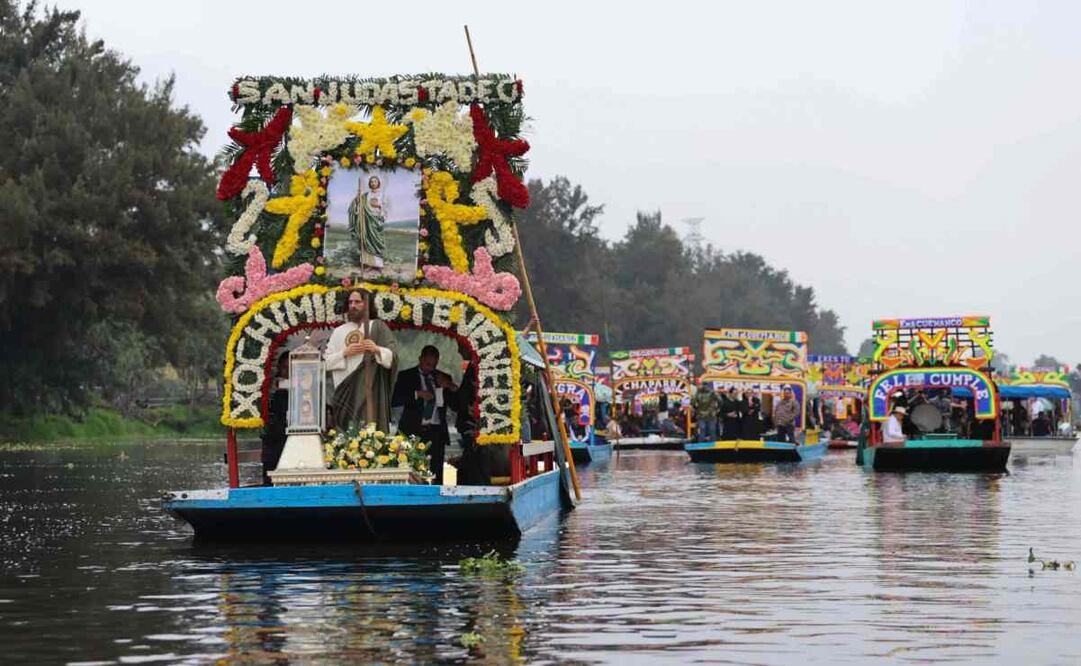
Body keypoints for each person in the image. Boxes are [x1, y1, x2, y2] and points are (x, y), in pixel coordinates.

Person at [324, 288, 398, 433]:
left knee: (369, 432)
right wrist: (344, 353)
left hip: (370, 393)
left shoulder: (378, 327)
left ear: (367, 304)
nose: (353, 305)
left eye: (357, 302)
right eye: (350, 302)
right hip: (345, 395)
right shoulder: (339, 331)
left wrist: (377, 349)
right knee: (347, 435)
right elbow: (326, 362)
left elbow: (393, 355)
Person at [392, 345, 459, 484]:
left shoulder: (443, 377)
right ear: (420, 359)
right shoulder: (406, 376)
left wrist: (445, 388)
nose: (430, 368)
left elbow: (453, 405)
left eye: (434, 365)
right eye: (427, 364)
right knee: (410, 470)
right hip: (413, 431)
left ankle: (437, 500)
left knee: (436, 473)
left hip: (435, 433)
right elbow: (395, 400)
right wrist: (417, 394)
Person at [260, 352, 290, 485]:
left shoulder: (303, 387)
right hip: (274, 438)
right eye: (285, 368)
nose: (288, 372)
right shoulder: (273, 386)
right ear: (279, 368)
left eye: (292, 369)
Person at [348, 175, 387, 270]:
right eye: (372, 181)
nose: (373, 183)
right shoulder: (365, 195)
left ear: (378, 183)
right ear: (370, 183)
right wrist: (357, 197)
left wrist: (378, 206)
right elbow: (357, 205)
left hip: (376, 220)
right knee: (366, 241)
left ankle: (378, 265)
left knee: (377, 242)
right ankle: (369, 264)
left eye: (375, 181)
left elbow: (384, 208)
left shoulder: (382, 195)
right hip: (366, 221)